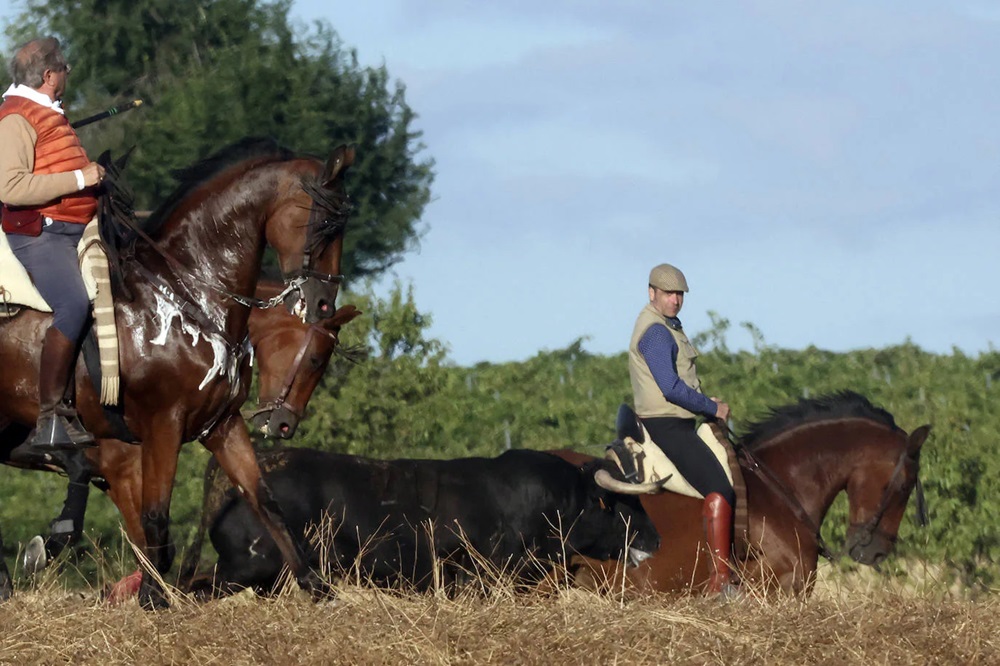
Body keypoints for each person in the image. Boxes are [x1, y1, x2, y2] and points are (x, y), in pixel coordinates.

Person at [0, 37, 105, 451]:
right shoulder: (15, 119)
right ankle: (50, 416)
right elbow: (10, 187)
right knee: (73, 305)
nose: (68, 73)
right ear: (48, 76)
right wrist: (82, 180)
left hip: (74, 227)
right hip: (41, 235)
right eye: (64, 67)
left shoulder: (45, 112)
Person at [627, 263, 735, 596]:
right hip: (667, 426)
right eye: (668, 293)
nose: (675, 300)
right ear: (651, 293)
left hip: (676, 419)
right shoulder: (657, 332)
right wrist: (711, 407)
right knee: (721, 489)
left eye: (679, 294)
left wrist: (703, 401)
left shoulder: (667, 325)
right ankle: (720, 582)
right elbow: (671, 388)